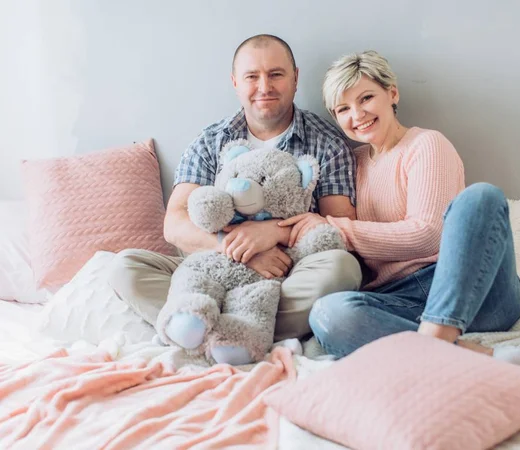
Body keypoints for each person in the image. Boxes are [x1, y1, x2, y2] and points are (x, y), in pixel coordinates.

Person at [280, 50, 520, 366]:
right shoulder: (348, 164)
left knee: (481, 197)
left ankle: (435, 348)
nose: (357, 114)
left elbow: (429, 235)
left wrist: (333, 227)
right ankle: (476, 358)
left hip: (474, 290)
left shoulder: (426, 145)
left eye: (366, 98)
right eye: (343, 109)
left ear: (392, 93)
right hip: (401, 299)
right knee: (329, 314)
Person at [107, 34, 362, 345]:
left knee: (342, 268)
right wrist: (237, 249)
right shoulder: (211, 141)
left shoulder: (327, 143)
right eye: (252, 76)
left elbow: (338, 229)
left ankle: (202, 326)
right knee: (124, 267)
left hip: (286, 276)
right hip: (210, 270)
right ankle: (237, 329)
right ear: (235, 83)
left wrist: (274, 234)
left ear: (295, 78)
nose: (264, 87)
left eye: (276, 75)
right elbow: (174, 223)